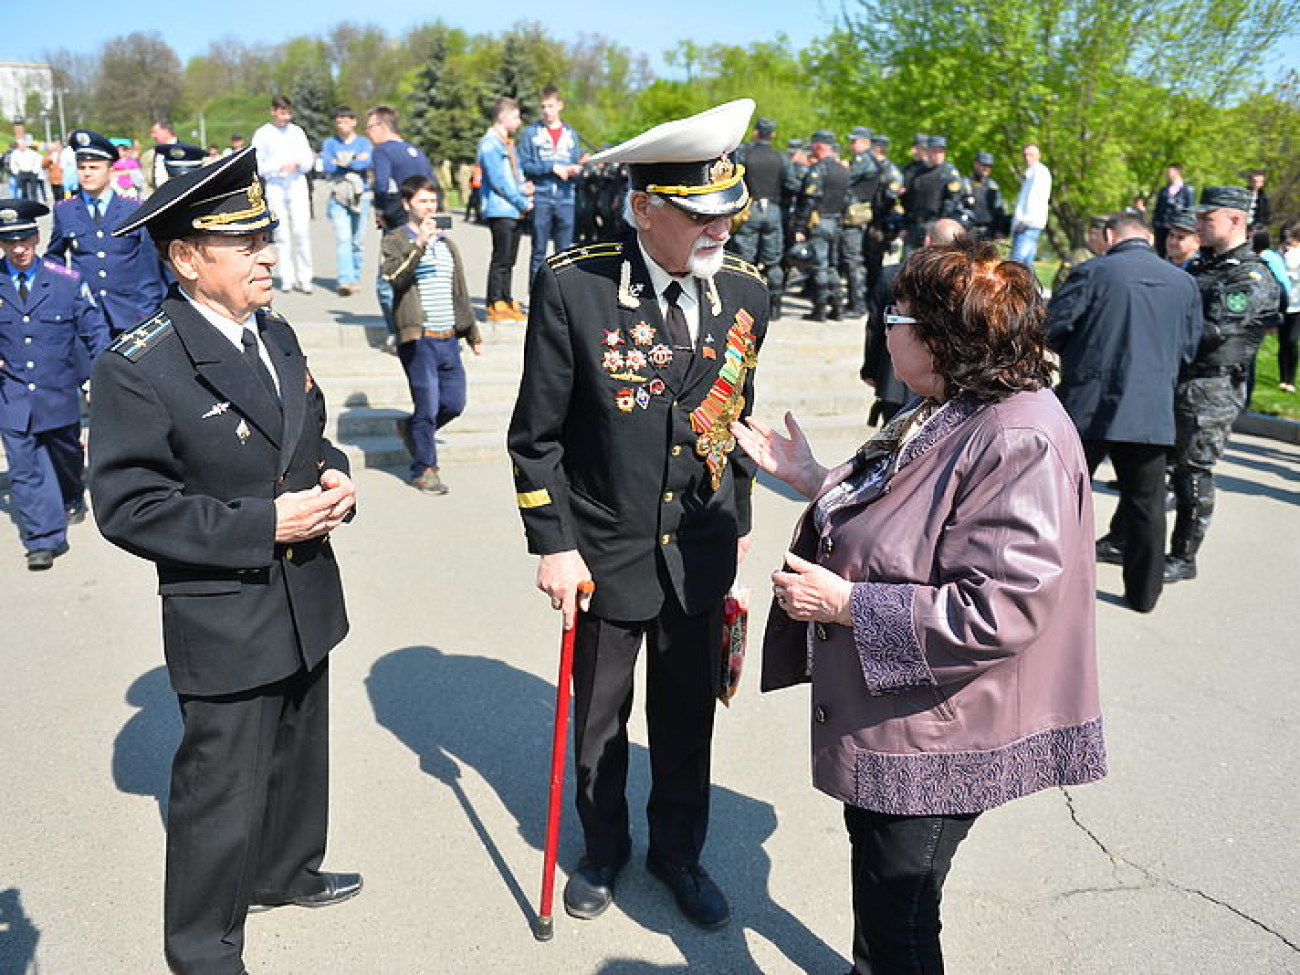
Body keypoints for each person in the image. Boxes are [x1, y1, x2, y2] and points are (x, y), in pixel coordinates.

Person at [737, 235, 1106, 975]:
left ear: (942, 337)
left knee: (899, 921)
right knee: (885, 903)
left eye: (896, 315)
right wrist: (816, 478)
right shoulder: (962, 404)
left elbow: (1001, 607)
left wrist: (846, 602)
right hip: (910, 716)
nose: (887, 326)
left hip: (940, 730)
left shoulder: (1020, 434)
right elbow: (912, 503)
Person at [87, 148, 361, 975]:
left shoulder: (271, 330)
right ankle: (203, 947)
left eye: (266, 237)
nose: (269, 255)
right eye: (246, 244)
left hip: (304, 588)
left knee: (298, 749)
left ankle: (285, 870)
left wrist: (334, 471)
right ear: (186, 258)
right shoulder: (140, 364)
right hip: (225, 605)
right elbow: (128, 506)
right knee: (218, 789)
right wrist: (262, 524)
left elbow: (300, 433)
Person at [508, 98, 768, 932]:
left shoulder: (746, 292)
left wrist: (741, 515)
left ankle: (678, 851)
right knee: (600, 720)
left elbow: (734, 416)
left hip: (698, 550)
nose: (720, 229)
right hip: (606, 549)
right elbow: (535, 437)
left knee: (688, 717)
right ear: (645, 207)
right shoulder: (574, 286)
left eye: (728, 210)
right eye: (699, 215)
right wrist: (554, 544)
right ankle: (604, 848)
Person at [1047, 211, 1201, 612]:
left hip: (1087, 405)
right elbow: (1188, 349)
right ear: (1149, 237)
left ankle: (1049, 591)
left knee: (1063, 500)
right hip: (1150, 409)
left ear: (1111, 235)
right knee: (1146, 505)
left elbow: (1053, 327)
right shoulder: (1184, 284)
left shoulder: (1093, 272)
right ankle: (1144, 593)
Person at [1166, 186, 1281, 583]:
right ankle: (1125, 537)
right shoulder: (1204, 265)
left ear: (1235, 220)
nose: (1198, 225)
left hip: (1209, 389)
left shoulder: (1249, 275)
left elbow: (1212, 331)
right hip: (1178, 378)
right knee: (1154, 465)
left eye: (1205, 218)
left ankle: (1183, 556)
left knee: (1193, 472)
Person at [0, 198, 110, 569]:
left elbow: (95, 331)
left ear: (35, 238)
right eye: (8, 242)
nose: (18, 250)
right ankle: (42, 540)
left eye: (24, 240)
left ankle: (72, 494)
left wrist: (98, 375)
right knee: (24, 467)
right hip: (12, 392)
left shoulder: (66, 282)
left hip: (58, 390)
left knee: (65, 457)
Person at [381, 175, 482, 494]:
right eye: (423, 201)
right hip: (418, 338)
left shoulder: (447, 243)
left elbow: (459, 292)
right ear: (407, 204)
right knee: (426, 406)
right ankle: (424, 469)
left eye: (432, 201)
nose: (429, 207)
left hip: (449, 337)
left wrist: (472, 332)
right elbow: (395, 279)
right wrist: (419, 245)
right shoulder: (395, 240)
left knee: (453, 403)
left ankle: (412, 431)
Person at [46, 129, 168, 337]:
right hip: (86, 314)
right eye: (82, 167)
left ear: (111, 171)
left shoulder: (134, 210)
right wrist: (64, 293)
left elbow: (151, 267)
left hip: (129, 313)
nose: (87, 173)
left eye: (94, 167)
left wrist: (147, 309)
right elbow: (54, 256)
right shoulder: (65, 210)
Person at [861, 218, 965, 428]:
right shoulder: (968, 284)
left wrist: (870, 369)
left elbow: (877, 327)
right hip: (945, 380)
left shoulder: (892, 275)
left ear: (927, 241)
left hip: (895, 379)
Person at [367, 105, 435, 334]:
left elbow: (382, 185)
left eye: (369, 127)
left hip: (398, 220)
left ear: (382, 126)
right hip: (423, 222)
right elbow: (431, 186)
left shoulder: (382, 151)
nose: (367, 133)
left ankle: (397, 333)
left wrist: (381, 212)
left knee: (388, 279)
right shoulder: (416, 152)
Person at [517, 85, 586, 283]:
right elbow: (526, 165)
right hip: (542, 197)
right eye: (543, 107)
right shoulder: (531, 133)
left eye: (550, 106)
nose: (547, 111)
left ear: (560, 106)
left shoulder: (571, 133)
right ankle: (536, 300)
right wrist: (551, 167)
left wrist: (576, 168)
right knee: (539, 250)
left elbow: (576, 161)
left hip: (566, 197)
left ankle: (562, 302)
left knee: (564, 253)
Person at [478, 97, 534, 323]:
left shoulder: (507, 143)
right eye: (515, 116)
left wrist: (524, 188)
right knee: (501, 258)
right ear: (502, 116)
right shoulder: (490, 143)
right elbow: (499, 180)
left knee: (510, 259)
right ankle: (494, 302)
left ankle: (506, 298)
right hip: (501, 209)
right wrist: (521, 201)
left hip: (514, 209)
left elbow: (513, 176)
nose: (518, 121)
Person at [252, 95, 315, 293]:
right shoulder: (263, 134)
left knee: (301, 231)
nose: (285, 116)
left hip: (296, 183)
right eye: (281, 112)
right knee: (281, 233)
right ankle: (287, 277)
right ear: (273, 111)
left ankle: (305, 277)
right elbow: (257, 164)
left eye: (288, 112)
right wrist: (278, 167)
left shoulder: (297, 132)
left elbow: (308, 159)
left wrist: (298, 164)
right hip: (275, 184)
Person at [729, 116, 786, 318]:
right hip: (773, 209)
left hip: (749, 209)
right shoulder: (780, 157)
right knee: (773, 260)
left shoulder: (745, 154)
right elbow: (791, 185)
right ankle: (776, 305)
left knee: (746, 259)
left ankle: (744, 303)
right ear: (773, 135)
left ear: (756, 133)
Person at [794, 130, 848, 321]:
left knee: (820, 267)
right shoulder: (843, 170)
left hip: (820, 222)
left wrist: (800, 228)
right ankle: (837, 308)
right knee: (833, 266)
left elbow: (809, 201)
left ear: (819, 147)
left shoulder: (817, 170)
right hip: (837, 223)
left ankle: (820, 310)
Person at [321, 106, 373, 297]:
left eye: (345, 120)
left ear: (353, 121)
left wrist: (343, 162)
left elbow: (365, 163)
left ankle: (355, 277)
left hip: (361, 196)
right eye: (338, 121)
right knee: (343, 239)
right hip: (338, 195)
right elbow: (327, 165)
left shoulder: (364, 143)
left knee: (357, 241)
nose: (341, 124)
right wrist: (351, 161)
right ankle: (345, 280)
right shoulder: (329, 143)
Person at [839, 125, 879, 318]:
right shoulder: (862, 160)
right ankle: (854, 301)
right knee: (850, 260)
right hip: (854, 215)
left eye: (855, 141)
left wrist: (843, 169)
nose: (852, 145)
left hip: (856, 217)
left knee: (853, 260)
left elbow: (847, 180)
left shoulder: (864, 161)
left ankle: (858, 304)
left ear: (866, 142)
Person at [1010, 142, 1052, 267]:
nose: (1027, 157)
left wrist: (1023, 222)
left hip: (1028, 224)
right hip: (1028, 224)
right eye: (1025, 155)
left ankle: (1019, 287)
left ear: (1039, 155)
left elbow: (1035, 200)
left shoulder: (1039, 173)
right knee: (1026, 263)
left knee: (1016, 263)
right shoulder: (1030, 173)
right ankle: (1031, 287)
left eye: (1031, 154)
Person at [1151, 164, 1194, 257]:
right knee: (1160, 251)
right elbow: (1158, 208)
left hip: (1177, 226)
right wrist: (1155, 223)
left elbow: (1189, 210)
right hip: (1161, 227)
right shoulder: (1163, 190)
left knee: (1175, 252)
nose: (1168, 174)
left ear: (1177, 172)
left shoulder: (1187, 190)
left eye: (1170, 171)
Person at [1279, 219, 1300, 394]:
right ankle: (1282, 378)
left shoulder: (1295, 255)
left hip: (1297, 305)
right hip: (1283, 304)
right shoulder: (1280, 254)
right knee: (1283, 342)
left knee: (1292, 341)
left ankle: (1290, 379)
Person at [967, 151, 1007, 240]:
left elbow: (999, 210)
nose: (987, 168)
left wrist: (1000, 230)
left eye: (989, 166)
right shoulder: (966, 183)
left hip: (990, 232)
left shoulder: (993, 186)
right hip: (969, 231)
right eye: (984, 165)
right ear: (975, 164)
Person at [140, 119, 179, 197]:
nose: (152, 136)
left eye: (155, 132)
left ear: (166, 131)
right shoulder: (150, 154)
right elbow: (147, 181)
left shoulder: (185, 151)